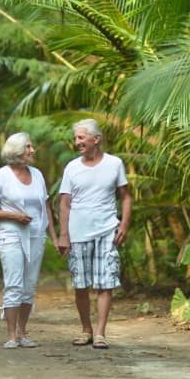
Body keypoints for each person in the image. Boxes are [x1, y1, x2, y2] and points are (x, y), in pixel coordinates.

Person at [57, 118, 132, 349]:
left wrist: (124, 225)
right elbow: (65, 204)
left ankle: (100, 332)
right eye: (76, 138)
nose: (77, 142)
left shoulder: (115, 164)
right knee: (81, 284)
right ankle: (85, 329)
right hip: (78, 233)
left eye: (81, 137)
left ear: (95, 139)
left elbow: (126, 197)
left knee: (105, 283)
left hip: (106, 231)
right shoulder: (72, 167)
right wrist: (63, 235)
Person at [0, 132, 57, 349]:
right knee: (14, 283)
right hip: (11, 235)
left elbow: (45, 208)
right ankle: (11, 335)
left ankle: (23, 332)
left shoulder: (38, 175)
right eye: (28, 147)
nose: (32, 151)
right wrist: (14, 216)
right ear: (16, 151)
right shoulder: (0, 176)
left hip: (36, 236)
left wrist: (53, 236)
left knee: (29, 286)